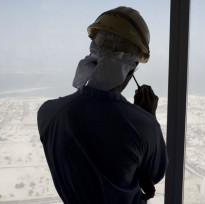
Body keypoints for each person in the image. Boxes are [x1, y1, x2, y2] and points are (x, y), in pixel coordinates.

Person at [37, 6, 168, 204]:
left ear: (94, 54)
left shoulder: (48, 114)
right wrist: (149, 116)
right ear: (131, 68)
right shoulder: (145, 126)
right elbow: (154, 173)